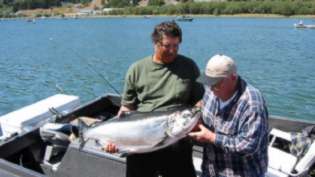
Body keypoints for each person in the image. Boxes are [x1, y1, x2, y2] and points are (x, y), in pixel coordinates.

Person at [105, 21, 204, 177]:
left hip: (177, 142)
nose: (172, 51)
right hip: (140, 142)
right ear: (155, 43)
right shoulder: (136, 69)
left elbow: (199, 101)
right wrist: (114, 140)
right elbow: (126, 109)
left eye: (176, 46)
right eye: (167, 46)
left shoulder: (189, 66)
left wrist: (196, 120)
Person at [189, 54, 269, 177]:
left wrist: (211, 137)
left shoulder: (252, 104)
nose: (211, 87)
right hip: (210, 171)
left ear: (233, 77)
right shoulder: (211, 90)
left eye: (216, 83)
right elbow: (203, 104)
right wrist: (196, 115)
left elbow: (249, 146)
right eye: (209, 81)